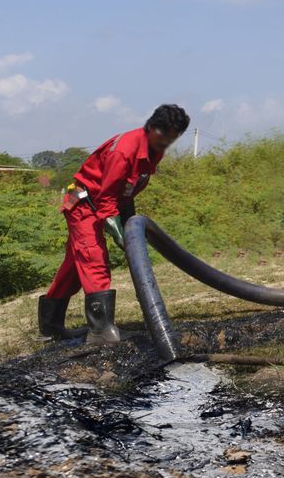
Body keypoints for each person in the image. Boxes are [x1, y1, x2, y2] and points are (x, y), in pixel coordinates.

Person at [37, 103, 189, 344]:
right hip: (85, 206)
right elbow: (106, 198)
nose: (166, 144)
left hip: (106, 204)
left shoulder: (154, 148)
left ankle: (50, 326)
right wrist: (122, 237)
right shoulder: (124, 150)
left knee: (76, 268)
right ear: (151, 127)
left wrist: (132, 228)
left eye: (173, 138)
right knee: (93, 258)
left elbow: (126, 192)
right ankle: (101, 331)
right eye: (164, 137)